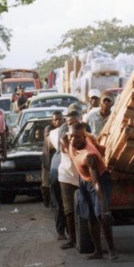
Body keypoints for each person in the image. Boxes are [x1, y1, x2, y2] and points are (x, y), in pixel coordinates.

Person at [67, 122, 117, 260]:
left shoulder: (89, 156)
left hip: (99, 180)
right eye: (71, 136)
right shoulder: (71, 143)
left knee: (101, 215)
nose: (73, 140)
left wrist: (104, 205)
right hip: (83, 180)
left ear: (83, 138)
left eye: (76, 137)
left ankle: (112, 250)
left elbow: (96, 182)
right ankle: (98, 251)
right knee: (90, 217)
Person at [50, 105, 85, 249]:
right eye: (69, 123)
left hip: (82, 174)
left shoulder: (85, 130)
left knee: (84, 208)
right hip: (66, 175)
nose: (72, 126)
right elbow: (67, 148)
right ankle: (71, 239)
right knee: (68, 209)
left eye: (75, 123)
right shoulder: (65, 134)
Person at [41, 111, 63, 210]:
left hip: (59, 161)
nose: (58, 121)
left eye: (60, 119)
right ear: (52, 121)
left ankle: (55, 203)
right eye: (55, 120)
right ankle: (47, 201)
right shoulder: (48, 129)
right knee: (46, 184)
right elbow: (50, 141)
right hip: (48, 160)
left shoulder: (64, 128)